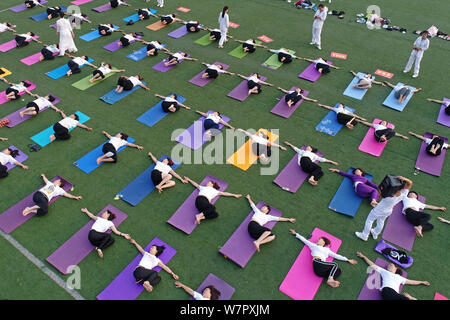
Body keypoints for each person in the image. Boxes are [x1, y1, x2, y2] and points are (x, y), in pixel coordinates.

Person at [289, 229, 357, 288]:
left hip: (321, 272)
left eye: (319, 239)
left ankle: (330, 279)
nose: (317, 240)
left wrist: (348, 260)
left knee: (338, 271)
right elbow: (305, 240)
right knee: (335, 265)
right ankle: (330, 279)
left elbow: (336, 255)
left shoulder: (327, 250)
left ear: (324, 242)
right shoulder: (313, 245)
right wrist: (296, 234)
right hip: (317, 263)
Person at [355, 176, 412, 241]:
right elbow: (410, 183)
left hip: (379, 210)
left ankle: (364, 235)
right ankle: (375, 233)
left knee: (370, 220)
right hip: (388, 211)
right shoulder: (403, 194)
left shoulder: (388, 195)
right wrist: (405, 179)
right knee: (381, 221)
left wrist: (373, 201)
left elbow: (380, 194)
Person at [356, 252, 430, 300]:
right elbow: (372, 265)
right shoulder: (384, 271)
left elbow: (411, 282)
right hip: (387, 291)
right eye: (388, 265)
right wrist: (363, 256)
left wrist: (422, 282)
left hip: (394, 295)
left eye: (392, 265)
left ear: (396, 269)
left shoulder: (400, 278)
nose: (390, 265)